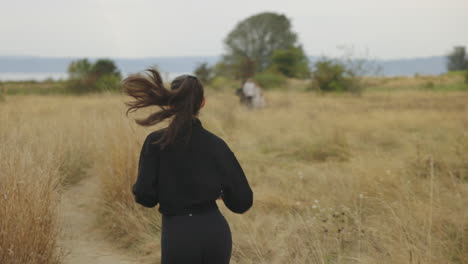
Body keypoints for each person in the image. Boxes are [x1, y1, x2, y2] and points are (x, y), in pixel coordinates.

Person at [122, 69, 253, 264]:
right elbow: (242, 201)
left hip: (178, 232)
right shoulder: (217, 144)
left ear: (171, 102)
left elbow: (145, 196)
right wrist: (221, 193)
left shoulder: (155, 142)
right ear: (202, 103)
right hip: (215, 231)